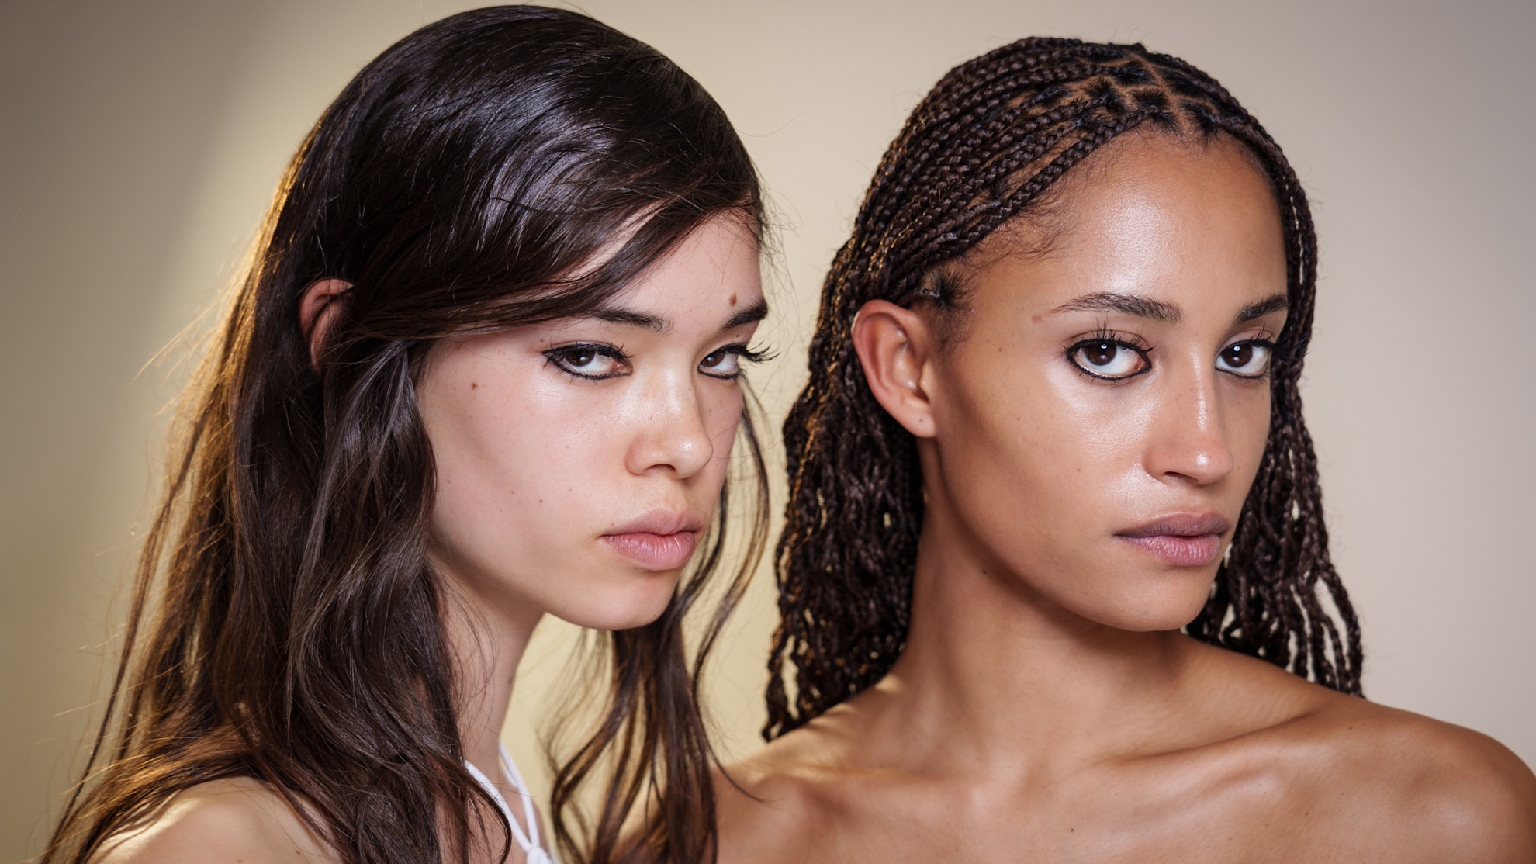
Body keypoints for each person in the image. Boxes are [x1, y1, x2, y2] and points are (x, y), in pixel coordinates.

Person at [718, 37, 1536, 862]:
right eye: (1109, 351)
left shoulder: (1433, 820)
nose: (1207, 453)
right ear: (911, 368)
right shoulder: (717, 842)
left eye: (1243, 353)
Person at [44, 7, 771, 864]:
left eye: (723, 358)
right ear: (350, 348)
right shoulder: (224, 849)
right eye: (588, 354)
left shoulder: (499, 824)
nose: (687, 445)